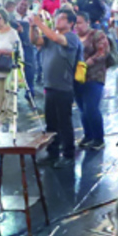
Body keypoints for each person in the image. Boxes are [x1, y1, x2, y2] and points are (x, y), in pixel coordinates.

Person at [31, 9, 82, 169]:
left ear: (71, 23)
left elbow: (56, 38)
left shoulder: (71, 38)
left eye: (62, 18)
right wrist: (33, 27)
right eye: (57, 17)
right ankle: (52, 151)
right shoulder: (50, 36)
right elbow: (35, 41)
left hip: (63, 86)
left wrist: (39, 23)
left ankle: (68, 154)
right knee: (51, 122)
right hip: (50, 85)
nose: (58, 20)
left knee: (64, 122)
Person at [75, 12, 110, 152]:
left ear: (87, 22)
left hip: (94, 77)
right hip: (77, 78)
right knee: (82, 109)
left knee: (91, 107)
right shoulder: (73, 37)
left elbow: (103, 52)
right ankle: (88, 135)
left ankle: (98, 138)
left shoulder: (97, 35)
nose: (77, 26)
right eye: (75, 23)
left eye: (79, 22)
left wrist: (87, 63)